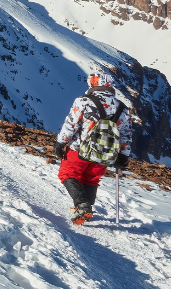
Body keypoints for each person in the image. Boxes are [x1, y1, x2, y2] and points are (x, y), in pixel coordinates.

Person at [53, 72, 135, 225]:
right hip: (104, 154)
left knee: (67, 173)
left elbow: (71, 124)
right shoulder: (122, 108)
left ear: (92, 84)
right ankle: (86, 208)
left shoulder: (83, 101)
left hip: (80, 150)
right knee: (91, 179)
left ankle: (83, 206)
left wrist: (61, 142)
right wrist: (123, 156)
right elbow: (126, 134)